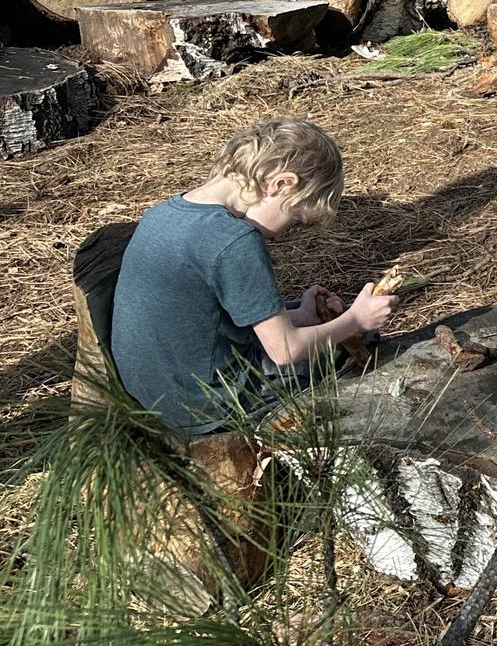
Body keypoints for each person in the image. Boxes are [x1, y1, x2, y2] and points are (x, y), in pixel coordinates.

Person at [110, 118, 396, 435]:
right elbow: (285, 351)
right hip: (213, 408)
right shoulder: (235, 241)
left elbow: (206, 317)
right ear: (281, 185)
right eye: (296, 218)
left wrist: (299, 315)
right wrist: (357, 320)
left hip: (157, 397)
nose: (287, 231)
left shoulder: (165, 213)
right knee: (357, 341)